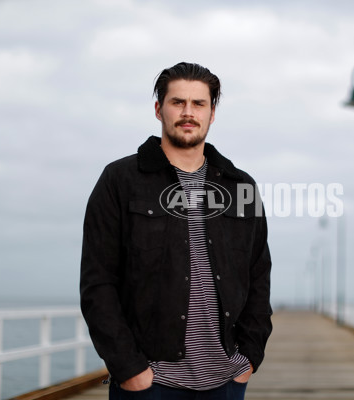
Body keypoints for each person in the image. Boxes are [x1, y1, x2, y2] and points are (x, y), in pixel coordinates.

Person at [80, 62, 272, 399]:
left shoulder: (241, 185)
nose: (188, 112)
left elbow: (259, 275)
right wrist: (129, 369)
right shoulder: (120, 180)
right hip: (151, 384)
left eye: (199, 104)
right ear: (159, 109)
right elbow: (98, 283)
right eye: (177, 102)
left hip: (226, 381)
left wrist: (249, 357)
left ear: (212, 113)